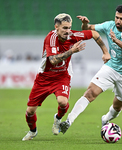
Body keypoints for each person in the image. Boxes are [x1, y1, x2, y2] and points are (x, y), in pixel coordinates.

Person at [22, 13, 111, 141]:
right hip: (44, 78)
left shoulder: (73, 35)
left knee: (63, 102)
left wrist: (105, 52)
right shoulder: (50, 38)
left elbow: (94, 34)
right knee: (30, 111)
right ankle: (32, 131)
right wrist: (71, 51)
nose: (68, 31)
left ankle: (58, 119)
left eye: (69, 27)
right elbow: (53, 60)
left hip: (62, 76)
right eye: (64, 28)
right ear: (56, 27)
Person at [60, 5, 122, 134]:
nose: (118, 21)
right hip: (111, 67)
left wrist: (116, 40)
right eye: (116, 17)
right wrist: (85, 24)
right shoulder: (109, 25)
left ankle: (106, 118)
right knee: (90, 92)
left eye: (121, 19)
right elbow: (88, 30)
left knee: (117, 107)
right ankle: (69, 121)